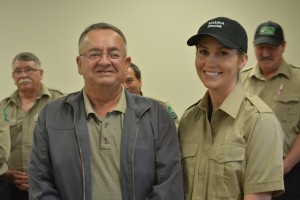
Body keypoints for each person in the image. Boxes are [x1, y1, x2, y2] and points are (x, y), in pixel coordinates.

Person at [28, 22, 183, 200]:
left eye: (114, 54)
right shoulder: (51, 116)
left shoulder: (156, 115)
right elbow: (40, 183)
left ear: (126, 64)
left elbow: (169, 186)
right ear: (79, 64)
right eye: (94, 54)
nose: (104, 61)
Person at [179, 16, 284, 200]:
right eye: (203, 52)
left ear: (242, 60)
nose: (210, 62)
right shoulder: (189, 119)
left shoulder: (260, 122)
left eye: (222, 53)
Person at [241, 21, 300, 200]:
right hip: (247, 175)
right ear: (253, 47)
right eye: (261, 47)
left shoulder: (298, 80)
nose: (265, 53)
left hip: (289, 175)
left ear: (283, 46)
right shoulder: (239, 81)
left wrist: (285, 167)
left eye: (271, 47)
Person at [0, 52, 64, 200]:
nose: (23, 75)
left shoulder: (59, 101)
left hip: (49, 185)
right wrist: (5, 173)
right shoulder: (3, 107)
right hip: (11, 187)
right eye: (18, 71)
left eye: (28, 70)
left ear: (40, 73)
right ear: (13, 77)